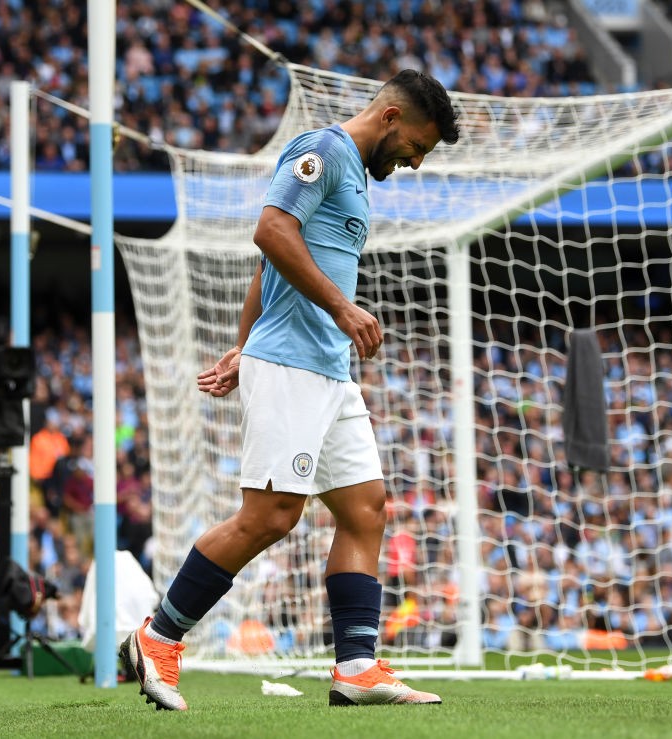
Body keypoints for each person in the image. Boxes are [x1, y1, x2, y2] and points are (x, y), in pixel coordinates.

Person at [120, 69, 460, 711]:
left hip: (328, 371)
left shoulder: (357, 174)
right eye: (418, 145)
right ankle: (157, 635)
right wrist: (340, 309)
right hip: (296, 366)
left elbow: (271, 262)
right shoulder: (323, 151)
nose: (416, 162)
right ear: (391, 117)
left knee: (366, 510)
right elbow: (270, 231)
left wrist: (244, 347)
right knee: (271, 517)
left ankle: (356, 666)